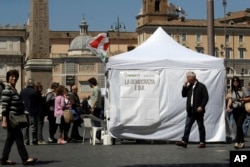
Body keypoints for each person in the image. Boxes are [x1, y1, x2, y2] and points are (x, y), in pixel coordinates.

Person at [1, 69, 37, 165]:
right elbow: (4, 106)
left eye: (16, 76)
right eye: (12, 76)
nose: (14, 78)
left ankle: (4, 159)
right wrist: (4, 121)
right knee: (19, 137)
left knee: (10, 138)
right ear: (8, 78)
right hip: (11, 118)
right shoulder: (7, 90)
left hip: (15, 116)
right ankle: (25, 158)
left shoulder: (14, 89)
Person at [176, 71, 209, 148]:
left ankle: (202, 142)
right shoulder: (189, 86)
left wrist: (201, 106)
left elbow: (206, 97)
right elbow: (184, 95)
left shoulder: (201, 86)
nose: (187, 79)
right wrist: (184, 85)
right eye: (187, 78)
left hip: (198, 110)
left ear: (192, 78)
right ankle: (184, 141)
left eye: (188, 78)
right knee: (187, 126)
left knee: (200, 126)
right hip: (190, 110)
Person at [226, 76, 250, 149]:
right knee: (238, 127)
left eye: (236, 80)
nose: (235, 82)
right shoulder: (231, 91)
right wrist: (228, 107)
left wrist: (242, 99)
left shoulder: (243, 89)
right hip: (235, 110)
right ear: (232, 82)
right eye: (234, 81)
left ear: (239, 82)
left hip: (242, 109)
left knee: (239, 125)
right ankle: (242, 142)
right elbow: (230, 100)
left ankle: (237, 142)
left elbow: (249, 97)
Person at [20, 78, 40, 145]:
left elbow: (20, 100)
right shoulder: (35, 91)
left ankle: (26, 141)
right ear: (33, 84)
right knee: (33, 126)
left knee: (25, 127)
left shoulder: (22, 91)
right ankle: (33, 140)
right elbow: (38, 102)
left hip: (24, 110)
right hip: (32, 111)